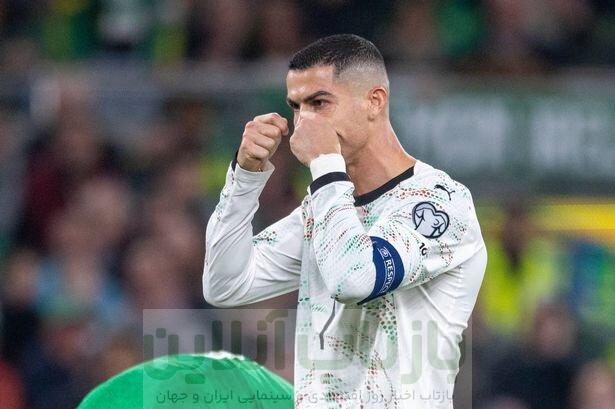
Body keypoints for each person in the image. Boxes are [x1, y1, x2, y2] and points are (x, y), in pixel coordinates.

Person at [203, 34, 487, 408]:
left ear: (374, 101)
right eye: (296, 107)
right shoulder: (322, 208)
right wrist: (245, 177)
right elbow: (225, 284)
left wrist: (325, 164)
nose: (303, 122)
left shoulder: (440, 203)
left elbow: (355, 279)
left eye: (319, 103)